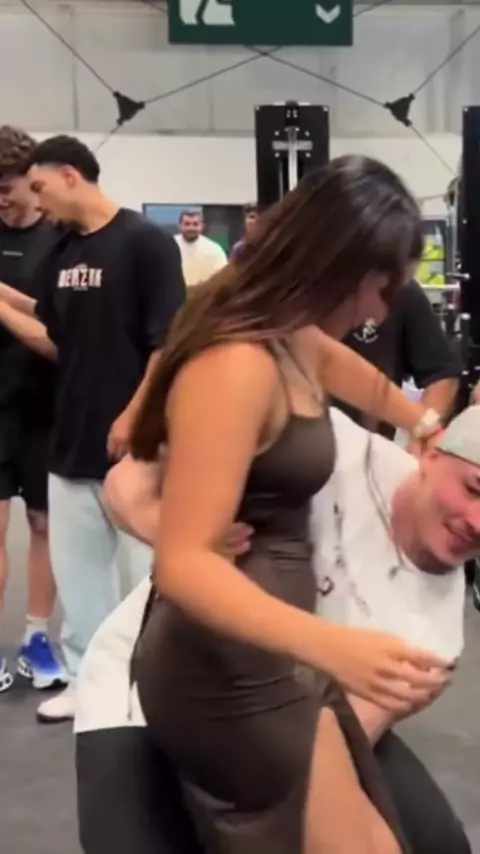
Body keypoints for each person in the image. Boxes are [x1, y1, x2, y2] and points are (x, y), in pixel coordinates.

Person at [122, 155, 454, 854]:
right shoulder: (236, 364)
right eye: (381, 288)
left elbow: (345, 370)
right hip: (221, 669)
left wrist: (422, 423)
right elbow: (183, 564)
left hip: (276, 652)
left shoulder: (290, 338)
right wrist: (332, 645)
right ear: (339, 263)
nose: (380, 311)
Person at [75, 405, 477, 854]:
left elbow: (316, 756)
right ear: (432, 456)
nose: (477, 522)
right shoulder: (324, 449)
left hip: (277, 724)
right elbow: (128, 482)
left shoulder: (437, 641)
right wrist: (184, 550)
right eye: (473, 489)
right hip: (140, 685)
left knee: (435, 842)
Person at [0, 134, 186, 722]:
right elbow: (50, 331)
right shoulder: (61, 252)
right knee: (79, 578)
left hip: (135, 445)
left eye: (40, 188)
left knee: (143, 578)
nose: (37, 202)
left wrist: (134, 415)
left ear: (70, 176)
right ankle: (88, 679)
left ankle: (149, 685)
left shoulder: (145, 243)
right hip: (70, 439)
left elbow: (167, 344)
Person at [0, 126, 65, 693]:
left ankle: (37, 636)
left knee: (45, 524)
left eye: (6, 187)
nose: (0, 198)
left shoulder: (61, 238)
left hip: (47, 404)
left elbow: (58, 320)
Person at [336, 278, 459, 445]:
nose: (379, 314)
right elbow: (326, 360)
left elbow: (441, 374)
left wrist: (422, 432)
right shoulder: (302, 309)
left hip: (372, 447)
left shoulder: (404, 290)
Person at [174, 210, 227, 288]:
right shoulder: (170, 245)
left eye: (195, 224)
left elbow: (222, 277)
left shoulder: (214, 249)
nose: (191, 228)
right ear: (179, 226)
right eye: (187, 224)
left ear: (202, 226)